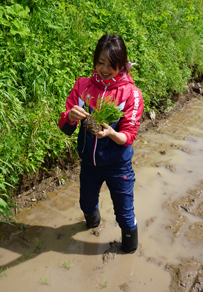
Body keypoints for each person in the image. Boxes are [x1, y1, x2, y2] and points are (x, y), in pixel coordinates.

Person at [58, 34, 144, 254]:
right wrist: (70, 117)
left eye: (111, 65)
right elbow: (65, 127)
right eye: (100, 62)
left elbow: (129, 136)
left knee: (124, 214)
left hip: (118, 165)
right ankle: (93, 225)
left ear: (122, 65)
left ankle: (129, 249)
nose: (104, 69)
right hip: (89, 163)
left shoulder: (130, 93)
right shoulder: (83, 85)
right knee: (86, 206)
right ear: (95, 61)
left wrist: (112, 133)